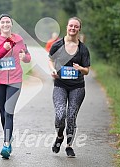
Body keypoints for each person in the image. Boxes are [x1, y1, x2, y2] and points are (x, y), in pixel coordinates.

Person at [0, 14, 31, 159]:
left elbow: (27, 56)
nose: (5, 24)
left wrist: (25, 57)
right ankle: (9, 138)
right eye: (3, 22)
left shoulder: (19, 39)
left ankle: (5, 144)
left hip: (15, 79)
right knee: (2, 113)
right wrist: (3, 49)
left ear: (11, 24)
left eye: (8, 22)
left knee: (8, 111)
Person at [48, 17, 90, 157]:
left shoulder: (83, 49)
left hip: (77, 87)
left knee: (71, 116)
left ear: (79, 29)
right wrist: (53, 70)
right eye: (71, 26)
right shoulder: (58, 44)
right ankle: (60, 136)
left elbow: (87, 71)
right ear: (67, 27)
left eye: (76, 26)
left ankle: (69, 145)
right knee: (60, 114)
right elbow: (50, 60)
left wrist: (80, 68)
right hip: (60, 85)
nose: (73, 28)